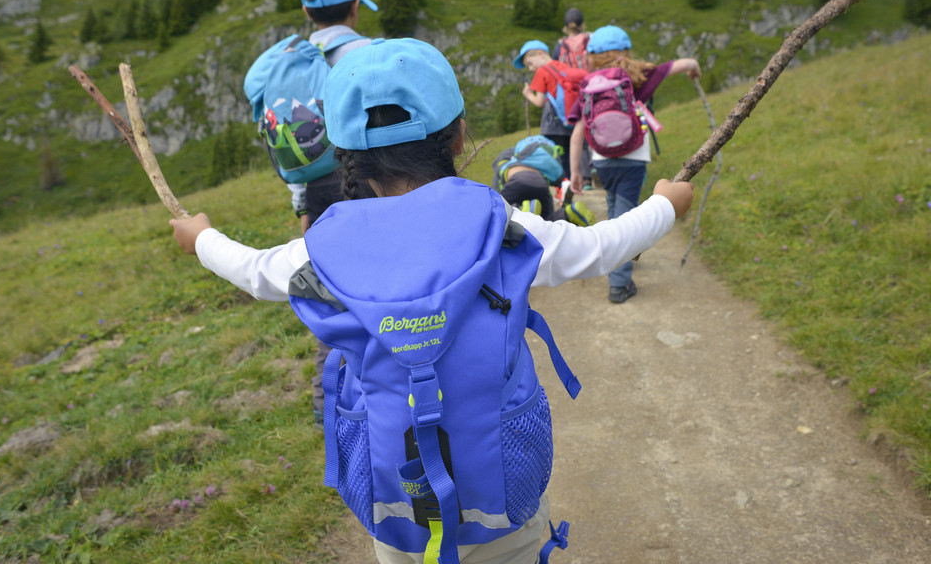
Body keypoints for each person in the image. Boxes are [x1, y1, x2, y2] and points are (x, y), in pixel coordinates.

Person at [170, 38, 693, 564]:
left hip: (395, 504)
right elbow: (600, 249)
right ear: (460, 134)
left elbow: (252, 270)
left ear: (344, 156)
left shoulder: (323, 247)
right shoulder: (501, 225)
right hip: (504, 493)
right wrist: (664, 207)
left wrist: (201, 239)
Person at [294, 0, 377, 426]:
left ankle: (329, 395)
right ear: (355, 9)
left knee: (327, 285)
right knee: (371, 281)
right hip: (362, 180)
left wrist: (301, 201)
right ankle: (376, 384)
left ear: (309, 12)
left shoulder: (294, 60)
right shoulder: (367, 53)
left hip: (314, 189)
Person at [567, 25, 701, 304]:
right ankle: (619, 284)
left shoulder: (589, 84)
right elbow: (684, 63)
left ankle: (619, 262)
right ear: (625, 50)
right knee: (625, 219)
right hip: (633, 159)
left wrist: (575, 171)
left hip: (602, 161)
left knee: (617, 211)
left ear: (592, 56)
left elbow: (578, 130)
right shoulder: (638, 75)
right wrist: (693, 69)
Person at [514, 40, 587, 181]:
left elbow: (540, 102)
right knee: (570, 153)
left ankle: (561, 186)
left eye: (529, 63)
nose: (530, 68)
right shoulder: (564, 66)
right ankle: (575, 181)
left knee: (556, 157)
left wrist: (528, 94)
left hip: (552, 123)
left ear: (541, 54)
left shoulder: (542, 71)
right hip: (570, 118)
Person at [491, 135, 595, 226]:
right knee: (546, 221)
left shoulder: (511, 156)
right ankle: (569, 213)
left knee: (499, 212)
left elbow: (496, 197)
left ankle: (522, 210)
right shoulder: (546, 158)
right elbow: (559, 181)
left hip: (518, 180)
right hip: (541, 184)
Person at [553, 7, 594, 188]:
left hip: (572, 93)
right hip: (593, 86)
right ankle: (597, 168)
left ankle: (584, 177)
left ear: (565, 26)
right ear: (582, 23)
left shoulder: (560, 44)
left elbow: (556, 68)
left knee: (578, 132)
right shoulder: (590, 39)